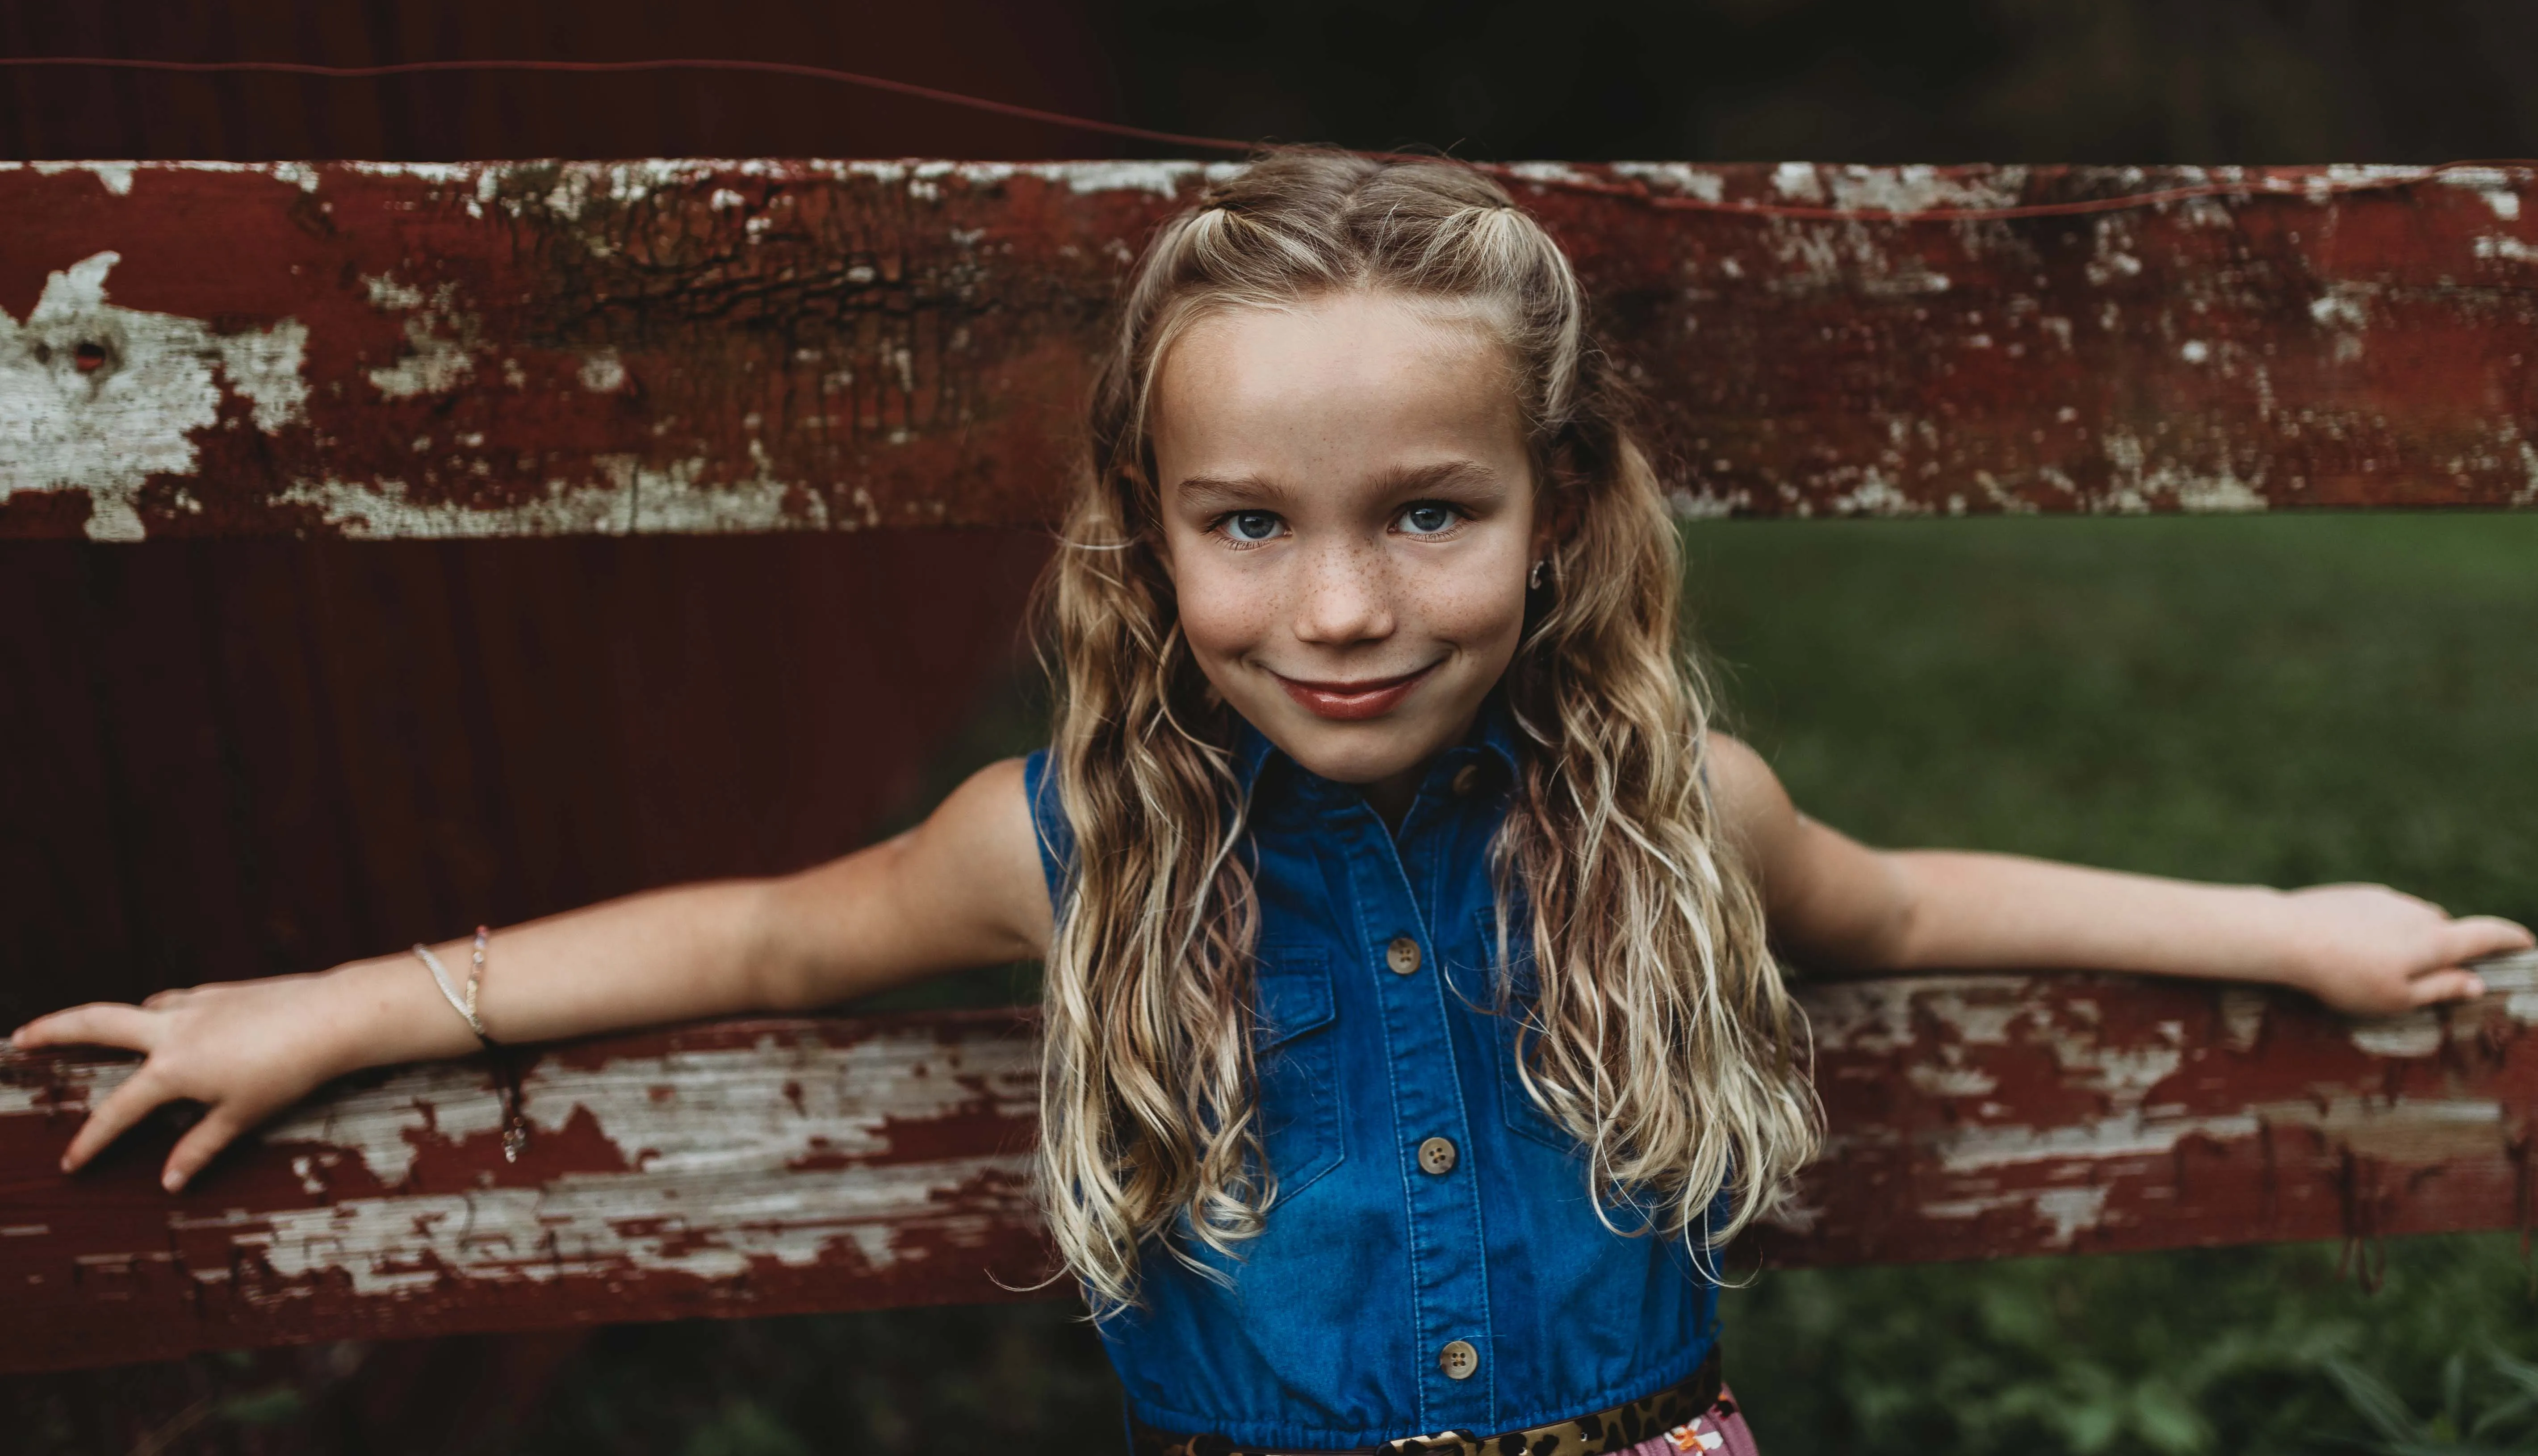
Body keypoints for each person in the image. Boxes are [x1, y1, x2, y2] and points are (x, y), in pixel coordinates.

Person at [13, 151, 2531, 1456]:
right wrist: (347, 1003)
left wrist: (2284, 928)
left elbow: (1899, 899)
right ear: (1152, 533)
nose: (1342, 605)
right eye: (1256, 525)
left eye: (1426, 512)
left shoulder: (1674, 806)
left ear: (1559, 510)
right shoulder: (1079, 839)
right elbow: (769, 940)